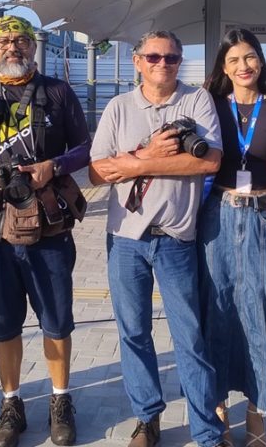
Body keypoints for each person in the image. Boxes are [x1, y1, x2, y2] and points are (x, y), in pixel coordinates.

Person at [0, 15, 91, 447]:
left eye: (21, 41)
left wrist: (56, 165)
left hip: (48, 223)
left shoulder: (58, 92)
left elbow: (86, 147)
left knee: (57, 317)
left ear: (34, 46)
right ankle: (11, 402)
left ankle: (60, 399)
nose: (13, 48)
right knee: (3, 321)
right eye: (5, 41)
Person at [89, 30, 230, 447]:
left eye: (171, 58)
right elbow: (96, 173)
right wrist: (150, 156)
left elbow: (211, 162)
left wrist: (129, 164)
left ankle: (206, 430)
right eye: (153, 57)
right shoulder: (119, 106)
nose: (163, 65)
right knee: (133, 332)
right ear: (137, 62)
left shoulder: (196, 100)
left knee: (189, 336)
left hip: (176, 239)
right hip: (126, 239)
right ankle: (147, 419)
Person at [198, 28, 266, 446]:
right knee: (216, 311)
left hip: (260, 219)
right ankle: (218, 412)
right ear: (224, 66)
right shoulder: (209, 106)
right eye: (235, 60)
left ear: (261, 60)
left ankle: (257, 416)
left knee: (262, 312)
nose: (244, 66)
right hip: (215, 217)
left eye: (251, 57)